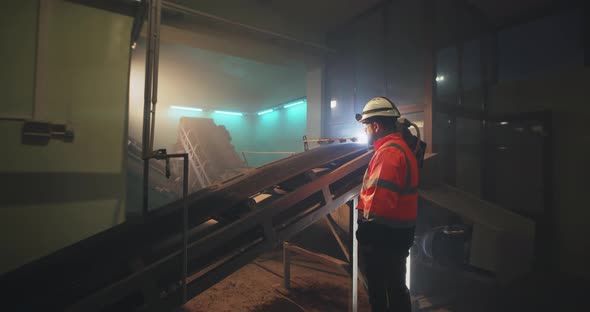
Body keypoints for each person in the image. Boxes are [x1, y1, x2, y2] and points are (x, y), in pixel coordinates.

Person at [355, 97, 418, 312]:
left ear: (375, 126)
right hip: (397, 237)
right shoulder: (398, 149)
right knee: (396, 289)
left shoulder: (388, 154)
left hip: (383, 241)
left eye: (366, 127)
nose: (365, 132)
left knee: (383, 295)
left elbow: (379, 208)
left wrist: (364, 233)